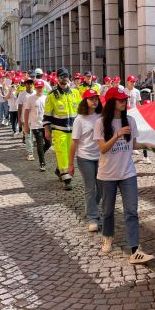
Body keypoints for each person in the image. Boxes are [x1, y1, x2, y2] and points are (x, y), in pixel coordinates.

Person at [93, 87, 155, 263]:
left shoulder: (131, 121)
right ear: (112, 102)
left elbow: (133, 144)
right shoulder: (100, 123)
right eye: (120, 100)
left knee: (131, 211)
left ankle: (135, 250)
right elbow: (103, 148)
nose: (124, 102)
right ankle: (108, 237)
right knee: (107, 211)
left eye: (125, 100)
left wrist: (145, 145)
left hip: (128, 172)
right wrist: (117, 134)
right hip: (107, 175)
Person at [69, 89, 103, 232]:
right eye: (91, 98)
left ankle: (91, 207)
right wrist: (70, 164)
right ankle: (92, 218)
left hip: (101, 157)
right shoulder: (79, 120)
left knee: (101, 188)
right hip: (85, 158)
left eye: (96, 98)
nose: (94, 101)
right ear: (85, 101)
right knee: (90, 188)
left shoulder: (101, 116)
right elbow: (74, 143)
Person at [43, 67, 82, 190]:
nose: (64, 78)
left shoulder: (75, 93)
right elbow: (47, 115)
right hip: (59, 130)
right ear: (57, 78)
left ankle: (59, 169)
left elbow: (81, 111)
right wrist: (46, 130)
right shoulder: (52, 95)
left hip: (74, 130)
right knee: (62, 152)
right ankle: (67, 178)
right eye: (61, 76)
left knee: (71, 153)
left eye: (66, 76)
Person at [24, 80, 50, 171]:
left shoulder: (46, 98)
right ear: (35, 88)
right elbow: (26, 111)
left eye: (41, 87)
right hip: (35, 125)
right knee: (39, 143)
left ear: (43, 88)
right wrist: (26, 125)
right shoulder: (30, 98)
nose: (39, 89)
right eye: (38, 87)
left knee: (48, 143)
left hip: (46, 125)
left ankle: (40, 153)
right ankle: (42, 163)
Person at [17, 78, 36, 159]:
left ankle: (34, 150)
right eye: (28, 83)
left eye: (31, 83)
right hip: (25, 119)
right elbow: (19, 107)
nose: (29, 85)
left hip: (35, 119)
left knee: (35, 136)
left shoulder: (35, 93)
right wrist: (19, 119)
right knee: (28, 136)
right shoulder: (22, 94)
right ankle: (30, 153)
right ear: (25, 84)